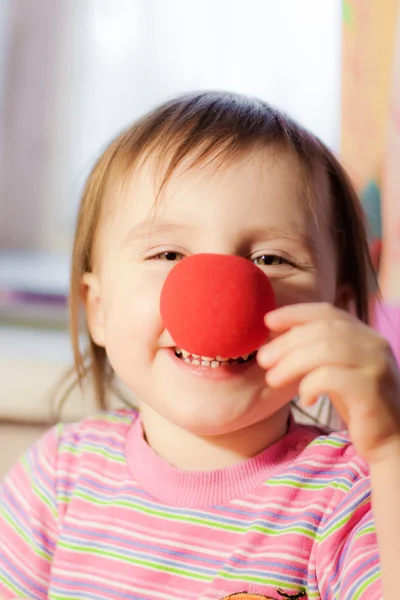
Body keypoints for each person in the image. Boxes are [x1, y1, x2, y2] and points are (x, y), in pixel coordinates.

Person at [1, 92, 400, 600]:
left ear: (339, 315)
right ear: (97, 308)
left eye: (272, 259)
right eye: (168, 253)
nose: (221, 295)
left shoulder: (348, 496)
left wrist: (390, 452)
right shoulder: (57, 478)